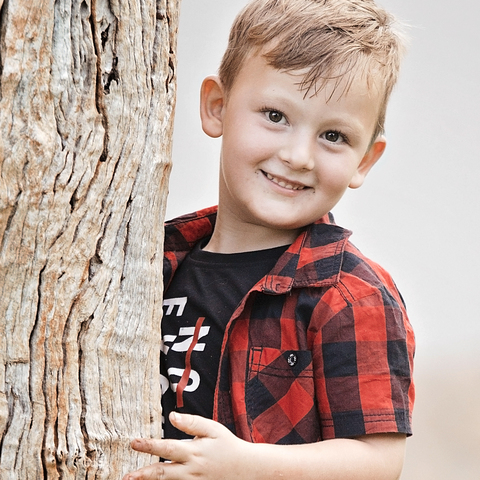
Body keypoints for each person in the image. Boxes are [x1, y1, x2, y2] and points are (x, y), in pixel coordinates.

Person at [124, 0, 415, 478]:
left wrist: (246, 466)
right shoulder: (146, 259)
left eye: (334, 136)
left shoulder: (351, 297)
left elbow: (378, 462)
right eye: (275, 115)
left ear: (364, 159)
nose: (298, 156)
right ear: (217, 107)